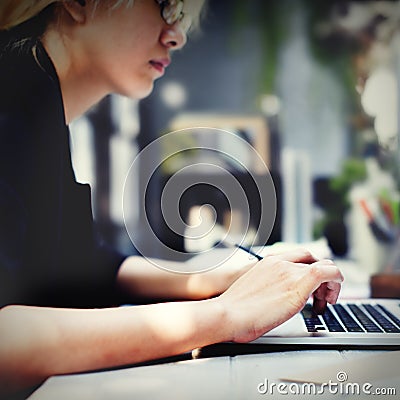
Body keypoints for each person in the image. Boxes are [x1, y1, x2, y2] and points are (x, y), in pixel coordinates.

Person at [0, 0, 343, 396]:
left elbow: (80, 265)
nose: (177, 36)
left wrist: (221, 275)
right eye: (166, 5)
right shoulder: (12, 101)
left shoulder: (38, 104)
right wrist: (225, 313)